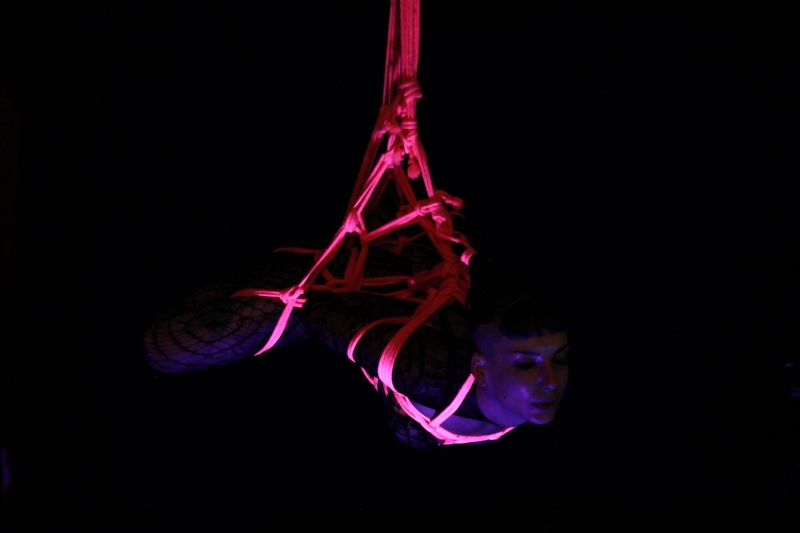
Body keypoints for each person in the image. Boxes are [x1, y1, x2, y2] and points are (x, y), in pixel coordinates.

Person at [142, 189, 569, 449]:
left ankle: (360, 236)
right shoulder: (426, 368)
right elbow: (314, 309)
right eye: (526, 364)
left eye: (561, 359)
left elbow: (319, 314)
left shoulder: (486, 364)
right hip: (369, 288)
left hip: (398, 296)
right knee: (167, 349)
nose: (552, 381)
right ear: (480, 367)